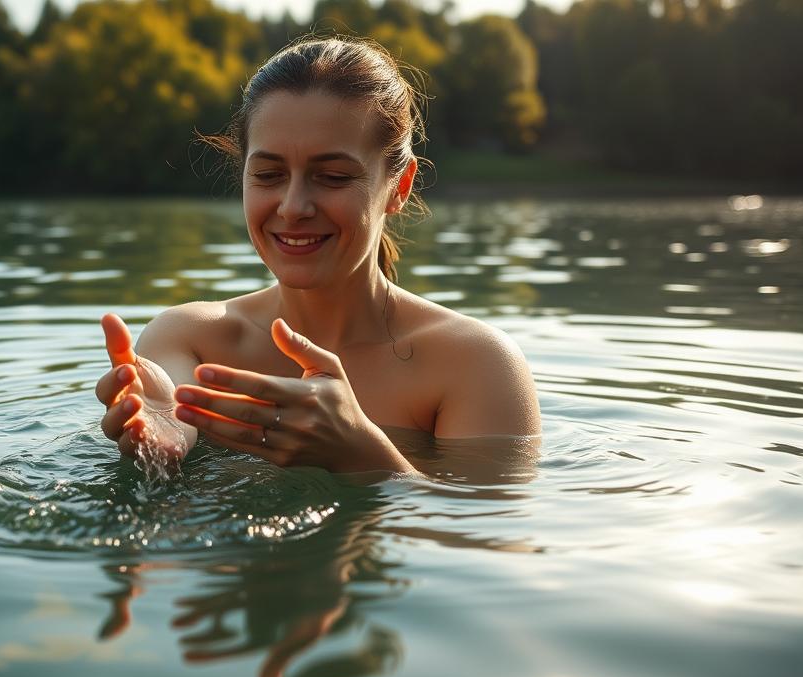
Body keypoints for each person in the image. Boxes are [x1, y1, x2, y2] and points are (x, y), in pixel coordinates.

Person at [95, 38, 540, 475]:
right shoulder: (190, 338)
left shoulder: (476, 364)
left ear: (399, 187)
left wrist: (363, 453)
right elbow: (169, 418)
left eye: (331, 176)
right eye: (268, 175)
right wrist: (164, 436)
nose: (293, 206)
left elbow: (486, 540)